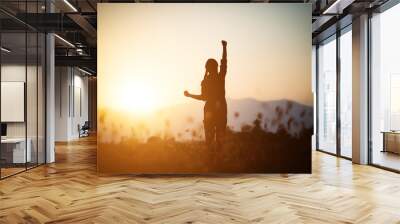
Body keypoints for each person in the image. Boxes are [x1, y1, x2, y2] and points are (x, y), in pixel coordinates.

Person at [184, 40, 228, 150]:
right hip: (220, 109)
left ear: (207, 68)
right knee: (219, 140)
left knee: (209, 140)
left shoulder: (207, 81)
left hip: (209, 111)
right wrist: (224, 47)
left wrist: (190, 95)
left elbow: (203, 97)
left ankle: (211, 160)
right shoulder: (220, 77)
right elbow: (224, 63)